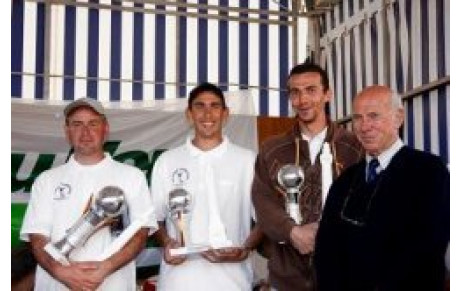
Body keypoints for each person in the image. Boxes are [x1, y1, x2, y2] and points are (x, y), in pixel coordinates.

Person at [314, 85, 449, 290]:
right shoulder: (344, 181)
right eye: (358, 118)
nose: (364, 126)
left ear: (398, 118)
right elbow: (326, 250)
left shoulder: (429, 171)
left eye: (374, 116)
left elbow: (430, 244)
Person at [20, 97, 157, 290]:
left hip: (112, 284)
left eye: (93, 123)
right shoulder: (47, 180)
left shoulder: (132, 177)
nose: (85, 132)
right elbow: (38, 237)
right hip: (57, 284)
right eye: (77, 124)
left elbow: (140, 234)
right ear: (67, 132)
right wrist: (62, 272)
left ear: (105, 129)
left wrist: (104, 269)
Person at [251, 62, 363, 290]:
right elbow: (262, 201)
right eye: (295, 92)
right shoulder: (272, 149)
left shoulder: (354, 147)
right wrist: (291, 232)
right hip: (286, 278)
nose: (302, 100)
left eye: (311, 90)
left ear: (327, 94)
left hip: (344, 275)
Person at [150, 82, 262, 291]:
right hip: (178, 281)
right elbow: (154, 219)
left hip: (233, 281)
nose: (207, 113)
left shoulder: (248, 160)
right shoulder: (167, 161)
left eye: (215, 106)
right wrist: (167, 242)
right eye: (200, 106)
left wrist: (246, 248)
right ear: (189, 114)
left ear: (225, 114)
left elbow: (264, 219)